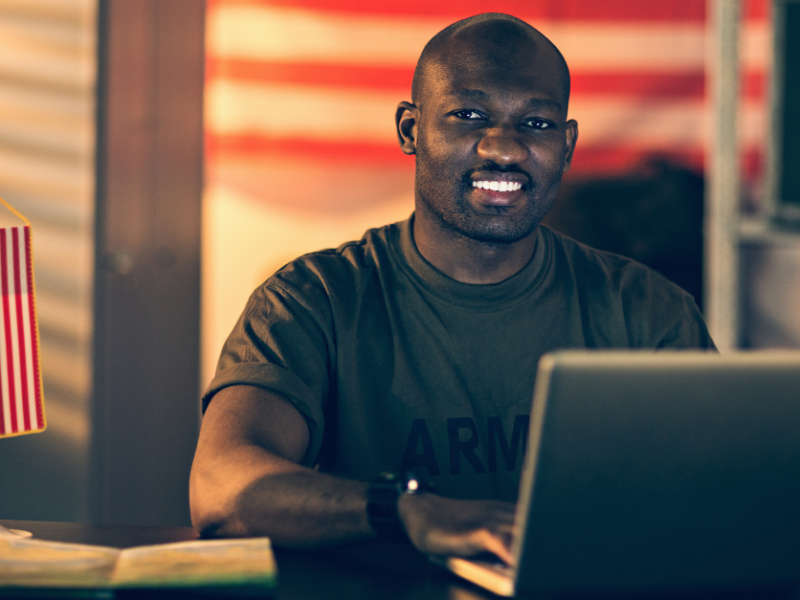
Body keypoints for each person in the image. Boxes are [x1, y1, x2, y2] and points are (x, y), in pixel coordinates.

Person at [189, 13, 715, 565]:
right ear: (410, 130)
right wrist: (408, 510)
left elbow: (727, 490)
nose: (504, 149)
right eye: (468, 115)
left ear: (567, 143)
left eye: (536, 123)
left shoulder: (648, 309)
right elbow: (221, 490)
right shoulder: (312, 299)